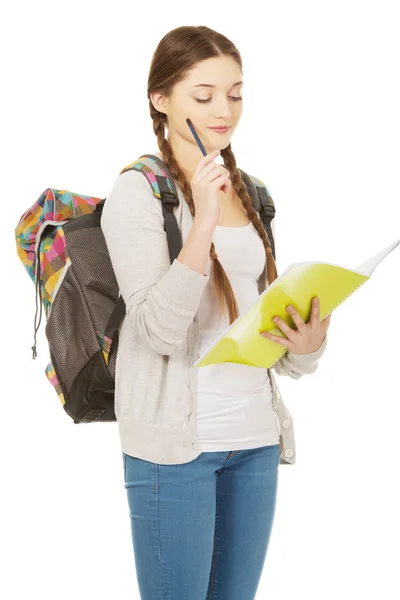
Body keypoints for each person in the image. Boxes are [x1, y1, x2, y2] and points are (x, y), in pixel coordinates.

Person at [101, 24, 331, 600]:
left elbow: (258, 326)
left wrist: (307, 349)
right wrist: (201, 221)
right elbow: (156, 329)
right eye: (203, 96)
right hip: (174, 451)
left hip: (254, 439)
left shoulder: (252, 192)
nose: (224, 109)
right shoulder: (139, 192)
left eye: (235, 93)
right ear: (161, 99)